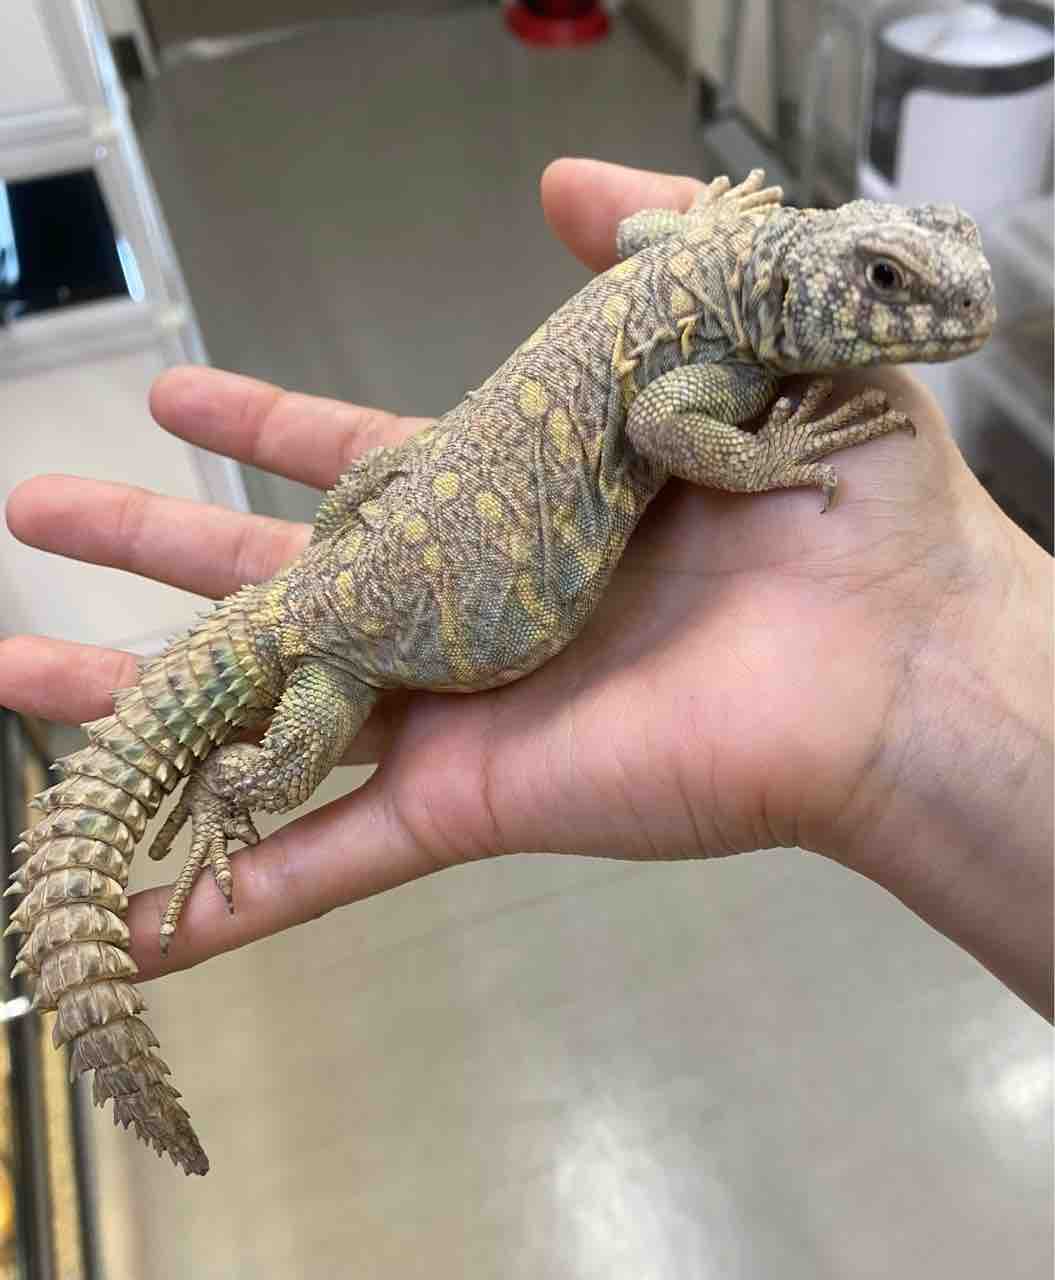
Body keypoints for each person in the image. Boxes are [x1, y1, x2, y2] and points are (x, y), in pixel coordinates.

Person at [1, 160, 1050, 1019]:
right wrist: (768, 459)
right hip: (334, 646)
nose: (952, 304)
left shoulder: (703, 264)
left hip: (351, 562)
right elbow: (661, 419)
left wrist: (707, 229)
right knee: (279, 762)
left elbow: (644, 233)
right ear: (793, 283)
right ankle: (224, 789)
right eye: (884, 279)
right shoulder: (718, 360)